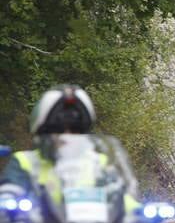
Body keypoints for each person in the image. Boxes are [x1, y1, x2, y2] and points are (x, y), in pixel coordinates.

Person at [1, 85, 140, 214]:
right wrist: (6, 201)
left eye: (75, 131)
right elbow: (9, 191)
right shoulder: (25, 161)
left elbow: (120, 199)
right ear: (43, 132)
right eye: (58, 130)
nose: (67, 136)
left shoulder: (99, 163)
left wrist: (139, 212)